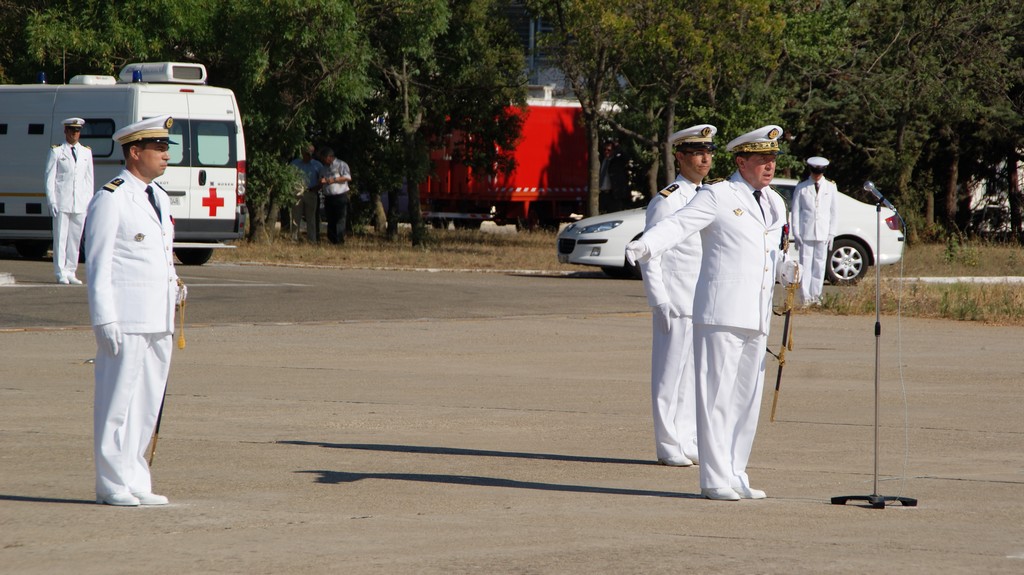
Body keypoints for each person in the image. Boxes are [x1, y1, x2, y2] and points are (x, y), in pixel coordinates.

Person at [625, 125, 799, 501]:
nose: (770, 166)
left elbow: (772, 249)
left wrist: (786, 267)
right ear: (741, 161)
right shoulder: (718, 195)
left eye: (773, 159)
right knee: (716, 397)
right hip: (720, 312)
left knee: (745, 400)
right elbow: (677, 225)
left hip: (756, 314)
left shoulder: (774, 202)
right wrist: (645, 246)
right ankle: (714, 478)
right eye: (761, 159)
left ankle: (736, 472)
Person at [85, 115, 184, 506]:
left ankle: (135, 475)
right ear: (135, 151)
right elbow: (98, 262)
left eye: (166, 148)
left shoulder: (157, 195)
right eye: (158, 148)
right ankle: (110, 482)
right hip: (125, 317)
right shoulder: (112, 197)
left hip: (158, 316)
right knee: (117, 402)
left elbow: (160, 253)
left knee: (147, 402)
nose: (165, 154)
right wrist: (103, 317)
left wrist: (174, 287)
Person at [640, 124, 718, 468]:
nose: (705, 159)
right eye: (697, 153)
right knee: (669, 374)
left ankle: (686, 438)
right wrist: (658, 298)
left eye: (708, 152)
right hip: (674, 298)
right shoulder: (667, 199)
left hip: (699, 298)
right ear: (680, 157)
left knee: (691, 376)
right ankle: (667, 443)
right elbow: (650, 252)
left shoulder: (709, 196)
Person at [44, 117, 94, 284]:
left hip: (79, 202)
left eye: (77, 131)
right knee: (60, 238)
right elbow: (50, 178)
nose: (75, 134)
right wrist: (52, 201)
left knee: (75, 238)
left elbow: (89, 180)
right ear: (65, 131)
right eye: (72, 130)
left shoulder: (86, 152)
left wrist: (89, 202)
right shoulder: (57, 151)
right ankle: (60, 272)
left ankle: (71, 271)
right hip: (62, 201)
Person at [790, 156, 838, 306]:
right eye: (815, 171)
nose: (817, 175)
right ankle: (805, 297)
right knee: (805, 265)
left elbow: (834, 212)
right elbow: (796, 211)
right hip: (806, 232)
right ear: (810, 170)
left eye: (820, 171)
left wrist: (832, 233)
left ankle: (816, 296)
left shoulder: (830, 187)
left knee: (820, 264)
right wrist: (796, 233)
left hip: (823, 232)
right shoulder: (802, 187)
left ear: (823, 171)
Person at [289, 144, 323, 243]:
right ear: (302, 153)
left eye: (310, 154)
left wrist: (317, 189)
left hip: (311, 193)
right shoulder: (295, 163)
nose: (308, 156)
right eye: (306, 153)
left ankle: (312, 240)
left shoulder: (317, 165)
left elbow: (322, 180)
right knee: (295, 217)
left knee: (311, 218)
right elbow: (290, 178)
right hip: (297, 192)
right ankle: (294, 239)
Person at [318, 147, 352, 245]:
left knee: (340, 219)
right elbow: (321, 179)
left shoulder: (341, 164)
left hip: (340, 196)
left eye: (324, 158)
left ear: (330, 157)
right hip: (328, 197)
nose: (323, 160)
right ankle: (332, 240)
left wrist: (331, 180)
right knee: (331, 219)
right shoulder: (323, 168)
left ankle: (339, 240)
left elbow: (347, 177)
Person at [599, 140, 630, 213]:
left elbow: (626, 158)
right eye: (605, 150)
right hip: (602, 193)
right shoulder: (602, 160)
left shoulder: (617, 161)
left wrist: (618, 147)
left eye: (609, 150)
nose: (606, 152)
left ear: (613, 151)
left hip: (613, 194)